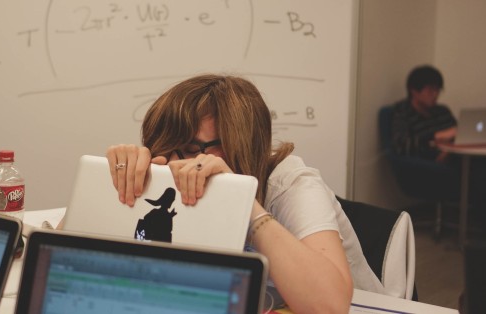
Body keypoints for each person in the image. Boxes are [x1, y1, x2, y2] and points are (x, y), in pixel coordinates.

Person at [100, 74, 387, 313]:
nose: (175, 165)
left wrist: (246, 203)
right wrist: (115, 185)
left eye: (190, 149)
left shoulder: (291, 183)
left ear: (240, 144)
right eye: (162, 146)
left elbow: (329, 306)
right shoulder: (170, 171)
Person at [391, 65, 457, 163]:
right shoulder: (402, 112)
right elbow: (401, 146)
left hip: (456, 157)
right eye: (430, 90)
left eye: (438, 90)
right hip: (426, 167)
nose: (436, 94)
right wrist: (435, 137)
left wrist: (448, 151)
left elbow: (459, 135)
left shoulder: (443, 111)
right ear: (414, 91)